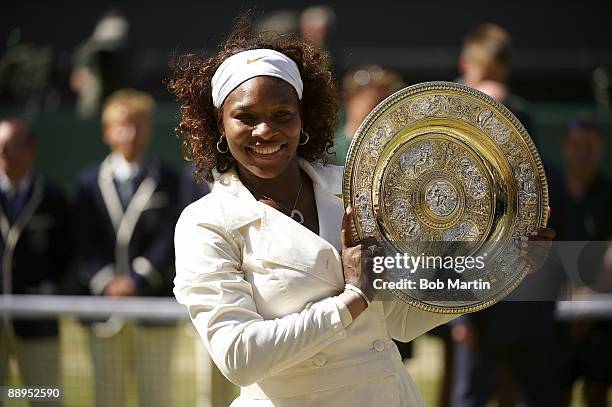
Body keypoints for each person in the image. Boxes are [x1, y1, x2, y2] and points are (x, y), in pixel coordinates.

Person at [170, 17, 554, 406]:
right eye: (246, 117)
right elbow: (239, 357)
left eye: (282, 114)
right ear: (219, 124)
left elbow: (402, 320)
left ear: (303, 117)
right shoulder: (205, 223)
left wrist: (503, 268)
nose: (265, 130)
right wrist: (352, 299)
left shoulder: (358, 189)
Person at [451, 23, 564, 407]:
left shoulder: (523, 123)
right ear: (468, 65)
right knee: (473, 391)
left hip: (525, 294)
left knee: (534, 390)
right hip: (476, 292)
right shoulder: (450, 122)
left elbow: (546, 215)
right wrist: (461, 316)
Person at [74, 89, 179, 407]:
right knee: (108, 395)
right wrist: (108, 281)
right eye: (122, 124)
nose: (130, 133)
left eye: (138, 124)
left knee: (156, 397)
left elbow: (170, 237)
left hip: (155, 308)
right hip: (103, 311)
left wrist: (137, 280)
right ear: (107, 132)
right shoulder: (88, 182)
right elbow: (82, 239)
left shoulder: (170, 180)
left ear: (149, 129)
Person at [0, 119, 71, 405]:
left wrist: (44, 290)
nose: (3, 151)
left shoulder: (53, 198)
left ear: (31, 149)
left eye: (10, 145)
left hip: (39, 323)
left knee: (43, 396)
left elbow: (66, 253)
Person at [551, 116, 612, 407]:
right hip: (553, 314)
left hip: (602, 316)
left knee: (597, 393)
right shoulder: (549, 193)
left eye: (591, 145)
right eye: (577, 145)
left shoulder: (608, 192)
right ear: (565, 147)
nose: (583, 152)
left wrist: (587, 305)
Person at [328, 64, 404, 166]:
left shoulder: (397, 144)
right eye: (376, 102)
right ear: (350, 98)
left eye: (386, 100)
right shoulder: (329, 149)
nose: (382, 110)